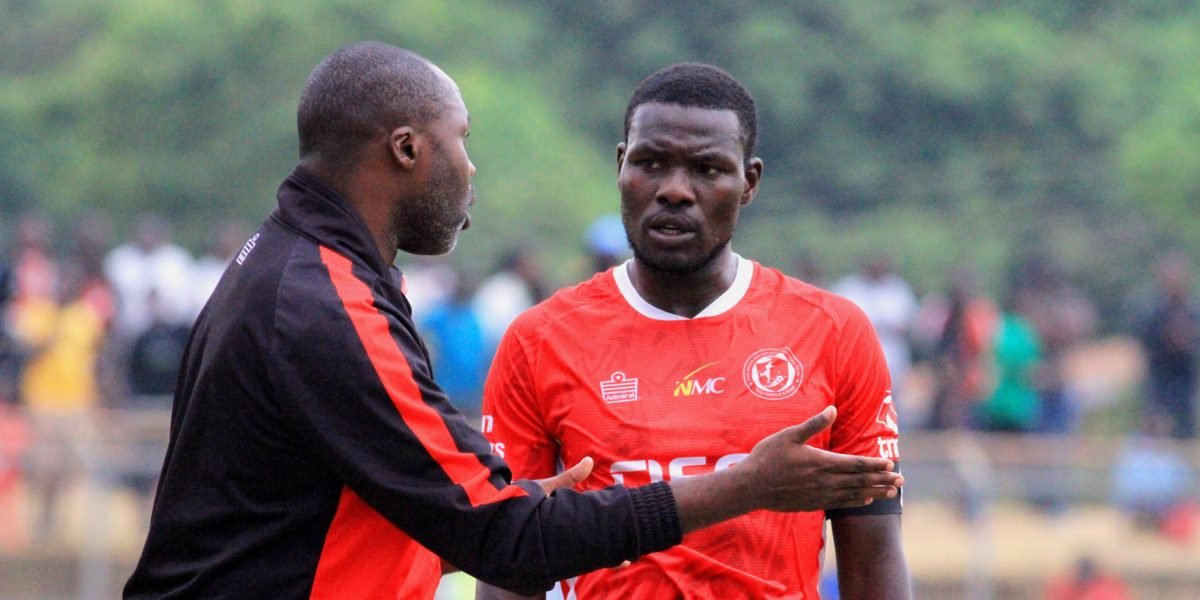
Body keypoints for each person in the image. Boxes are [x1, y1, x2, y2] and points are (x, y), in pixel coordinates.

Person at [123, 43, 902, 600]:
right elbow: (503, 543)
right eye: (461, 143)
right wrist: (741, 487)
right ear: (406, 150)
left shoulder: (300, 270)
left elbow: (461, 519)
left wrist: (532, 515)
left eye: (706, 170)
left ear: (749, 182)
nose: (471, 168)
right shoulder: (326, 306)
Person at [479, 63, 910, 600]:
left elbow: (875, 556)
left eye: (707, 169)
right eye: (651, 163)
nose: (675, 191)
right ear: (621, 165)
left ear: (749, 182)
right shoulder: (538, 340)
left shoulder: (835, 332)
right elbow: (508, 560)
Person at [1137, 252, 1200, 439]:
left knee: (1184, 438)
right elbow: (1144, 345)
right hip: (1159, 384)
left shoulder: (1194, 311)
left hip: (1186, 385)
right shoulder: (1151, 312)